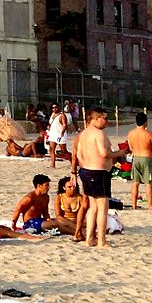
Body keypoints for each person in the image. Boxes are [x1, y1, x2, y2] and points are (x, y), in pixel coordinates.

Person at [72, 108, 115, 246]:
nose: (107, 122)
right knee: (102, 207)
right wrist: (119, 153)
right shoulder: (98, 133)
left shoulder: (83, 134)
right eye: (105, 118)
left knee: (93, 207)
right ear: (96, 119)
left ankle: (90, 238)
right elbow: (104, 153)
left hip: (86, 171)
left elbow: (78, 154)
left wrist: (84, 167)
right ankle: (101, 241)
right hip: (98, 172)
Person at [126, 113, 152, 212]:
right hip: (146, 157)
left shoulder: (131, 133)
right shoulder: (149, 134)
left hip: (136, 157)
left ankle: (134, 204)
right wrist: (151, 158)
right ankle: (150, 206)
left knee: (135, 183)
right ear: (145, 122)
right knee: (148, 183)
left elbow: (130, 148)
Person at [46, 104, 69, 169]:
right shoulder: (52, 114)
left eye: (55, 107)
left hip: (60, 134)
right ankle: (53, 165)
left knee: (64, 151)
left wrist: (62, 132)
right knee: (51, 149)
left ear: (58, 107)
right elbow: (50, 123)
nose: (54, 109)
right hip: (53, 134)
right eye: (53, 107)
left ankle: (72, 160)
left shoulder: (62, 115)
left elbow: (65, 125)